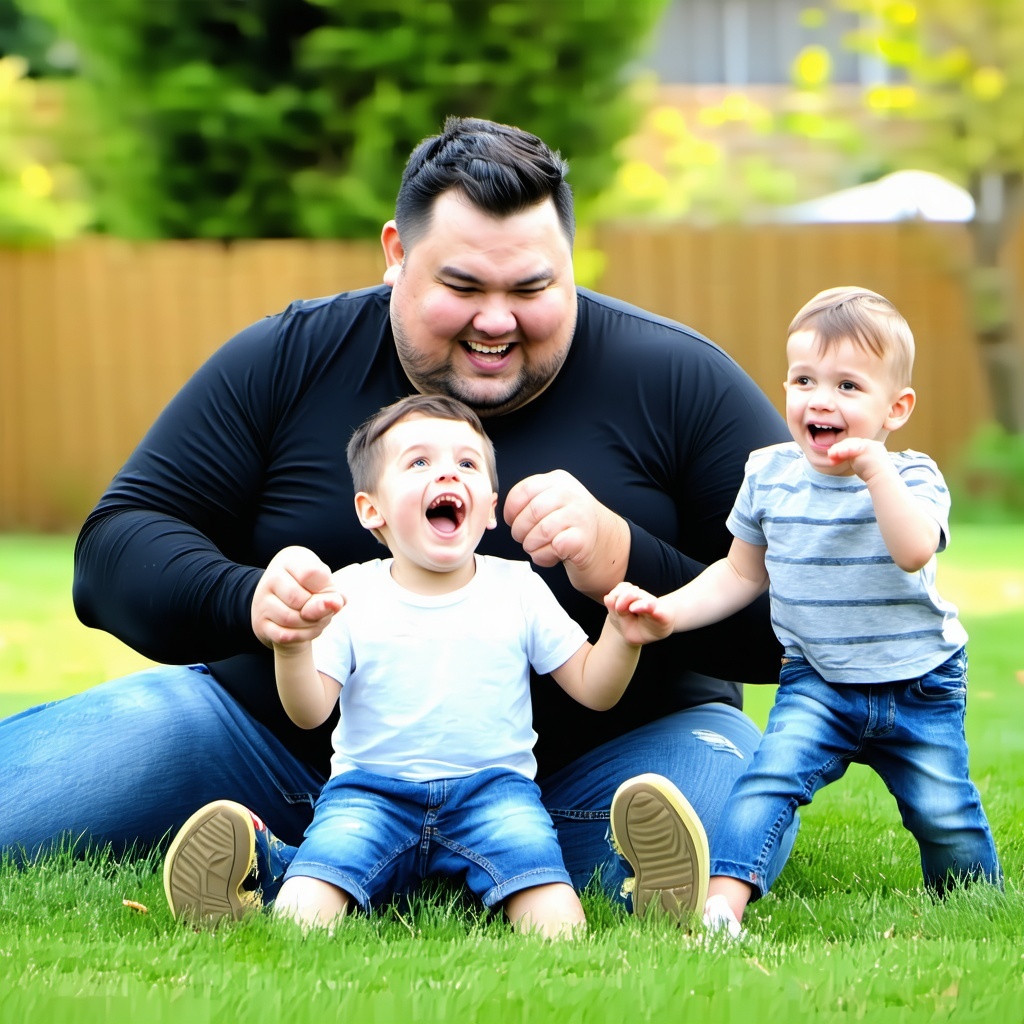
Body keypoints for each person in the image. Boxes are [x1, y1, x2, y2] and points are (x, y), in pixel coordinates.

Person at [1, 116, 795, 923]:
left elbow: (805, 619)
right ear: (395, 255)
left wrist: (627, 559)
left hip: (605, 766)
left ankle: (297, 871)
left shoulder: (677, 379)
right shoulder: (290, 357)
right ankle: (402, 863)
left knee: (725, 788)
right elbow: (115, 549)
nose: (497, 320)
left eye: (532, 288)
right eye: (462, 288)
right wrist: (250, 601)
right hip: (274, 752)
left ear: (569, 264)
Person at [169, 394, 650, 937]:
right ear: (371, 509)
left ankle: (624, 878)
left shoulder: (518, 589)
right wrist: (292, 646)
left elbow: (594, 687)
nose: (447, 471)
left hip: (495, 795)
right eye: (419, 462)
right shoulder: (348, 591)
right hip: (370, 794)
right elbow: (309, 712)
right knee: (301, 922)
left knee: (559, 930)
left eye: (466, 463)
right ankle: (267, 872)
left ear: (489, 507)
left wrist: (622, 638)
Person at [607, 286, 1003, 937]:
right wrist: (668, 612)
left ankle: (973, 903)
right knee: (767, 785)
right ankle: (720, 908)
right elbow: (740, 572)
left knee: (943, 811)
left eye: (849, 386)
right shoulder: (769, 473)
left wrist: (877, 475)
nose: (821, 399)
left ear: (894, 409)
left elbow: (912, 551)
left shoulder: (914, 476)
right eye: (804, 380)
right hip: (816, 680)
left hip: (918, 682)